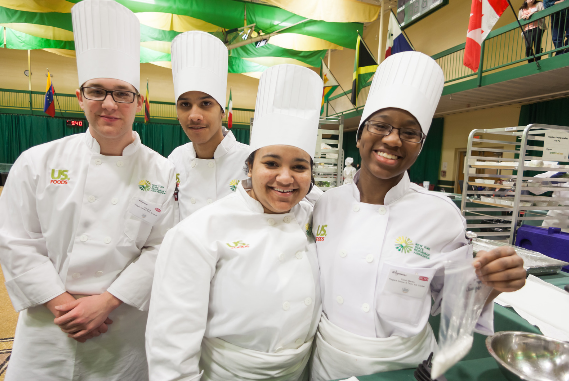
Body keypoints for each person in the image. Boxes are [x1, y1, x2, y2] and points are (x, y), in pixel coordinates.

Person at [310, 52, 526, 380]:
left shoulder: (441, 215)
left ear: (420, 145)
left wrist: (492, 284)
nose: (393, 139)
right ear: (360, 134)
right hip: (329, 360)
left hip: (405, 364)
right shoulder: (326, 204)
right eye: (381, 125)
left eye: (410, 132)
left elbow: (454, 301)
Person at [0, 1, 176, 380]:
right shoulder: (37, 161)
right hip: (49, 324)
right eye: (96, 91)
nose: (108, 103)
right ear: (80, 97)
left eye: (121, 93)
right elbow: (16, 242)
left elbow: (162, 246)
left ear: (139, 103)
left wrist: (106, 303)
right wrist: (63, 304)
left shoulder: (162, 171)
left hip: (121, 325)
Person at [146, 64, 323, 381]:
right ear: (250, 167)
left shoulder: (317, 219)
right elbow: (171, 341)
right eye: (271, 163)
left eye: (299, 166)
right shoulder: (197, 232)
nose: (285, 177)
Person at [168, 31, 250, 221]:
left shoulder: (251, 161)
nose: (194, 116)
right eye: (185, 105)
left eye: (206, 104)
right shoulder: (174, 160)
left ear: (222, 111)